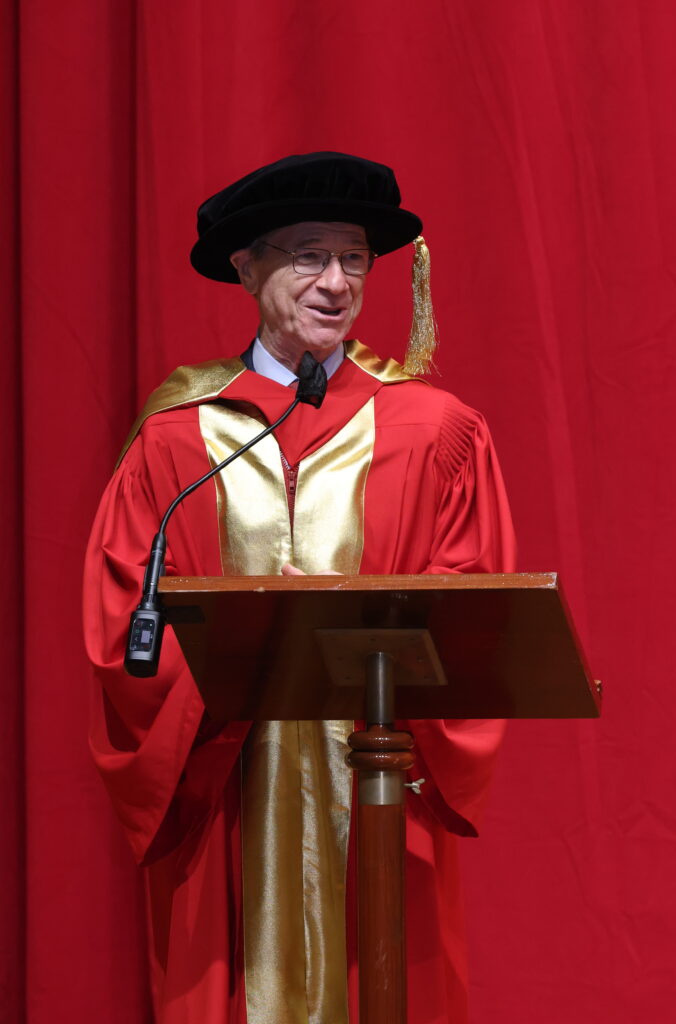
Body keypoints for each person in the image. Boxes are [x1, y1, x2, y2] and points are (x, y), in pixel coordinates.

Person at [84, 152, 516, 1024]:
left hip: (382, 787)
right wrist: (240, 644)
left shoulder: (435, 432)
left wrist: (345, 610)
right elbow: (124, 623)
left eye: (354, 258)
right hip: (230, 796)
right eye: (307, 256)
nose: (336, 283)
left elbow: (477, 607)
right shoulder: (175, 438)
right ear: (247, 268)